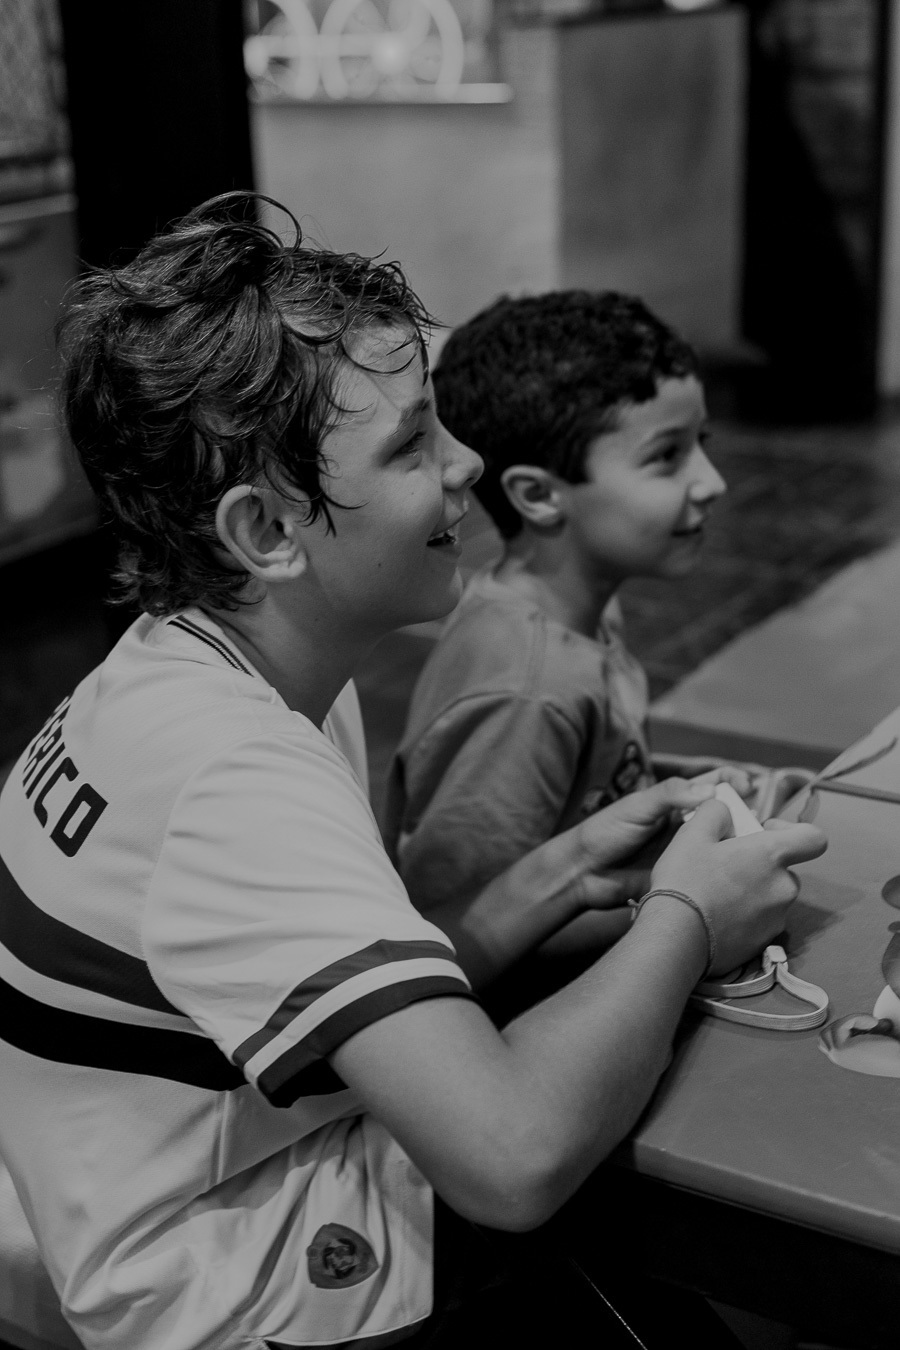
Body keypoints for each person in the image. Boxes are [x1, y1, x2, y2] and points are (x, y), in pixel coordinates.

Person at [0, 193, 825, 1350]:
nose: (467, 462)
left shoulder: (208, 666)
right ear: (266, 532)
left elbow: (348, 987)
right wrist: (691, 914)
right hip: (223, 1284)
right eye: (411, 444)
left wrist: (562, 873)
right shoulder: (234, 780)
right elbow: (510, 1156)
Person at [385, 291, 811, 968]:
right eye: (666, 456)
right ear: (539, 495)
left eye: (700, 444)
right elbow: (462, 935)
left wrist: (676, 789)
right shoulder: (529, 691)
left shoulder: (584, 614)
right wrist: (681, 911)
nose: (712, 482)